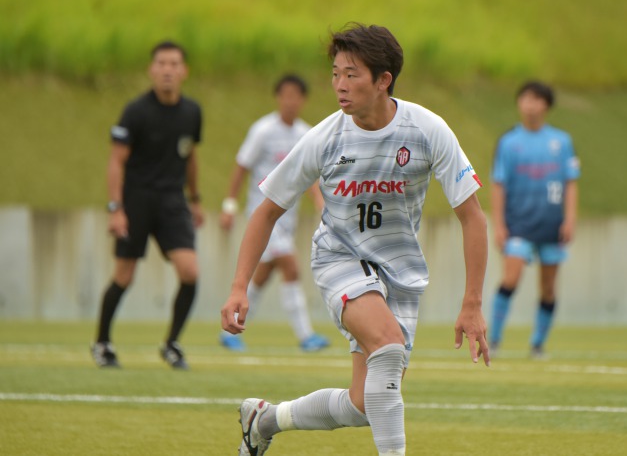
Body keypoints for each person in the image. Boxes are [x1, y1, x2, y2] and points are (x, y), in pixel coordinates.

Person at [221, 23, 490, 456]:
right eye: (335, 74)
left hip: (399, 271)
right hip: (339, 259)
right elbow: (267, 211)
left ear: (383, 81)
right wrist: (239, 287)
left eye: (351, 74)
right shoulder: (324, 137)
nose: (339, 85)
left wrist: (472, 302)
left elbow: (472, 216)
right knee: (388, 344)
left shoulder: (427, 130)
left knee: (367, 403)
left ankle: (265, 419)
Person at [91, 40, 203, 370]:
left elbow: (190, 156)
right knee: (124, 276)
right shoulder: (136, 111)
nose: (168, 70)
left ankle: (171, 344)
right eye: (162, 64)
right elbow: (116, 161)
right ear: (152, 70)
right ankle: (102, 343)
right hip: (137, 199)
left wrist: (195, 199)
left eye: (174, 64)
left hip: (172, 201)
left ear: (184, 71)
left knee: (190, 272)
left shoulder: (192, 112)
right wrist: (116, 208)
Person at [218, 74, 330, 353]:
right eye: (285, 95)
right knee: (290, 265)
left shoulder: (306, 133)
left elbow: (308, 175)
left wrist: (320, 202)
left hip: (288, 218)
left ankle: (230, 330)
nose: (290, 101)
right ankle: (306, 335)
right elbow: (241, 167)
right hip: (264, 215)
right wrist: (229, 206)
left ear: (303, 100)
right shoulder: (263, 130)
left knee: (263, 273)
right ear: (278, 97)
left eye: (296, 96)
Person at [488, 81, 580, 359]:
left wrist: (570, 219)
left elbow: (571, 182)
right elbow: (498, 184)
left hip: (552, 224)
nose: (530, 105)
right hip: (519, 224)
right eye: (525, 99)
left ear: (546, 105)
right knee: (510, 279)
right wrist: (499, 224)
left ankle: (538, 345)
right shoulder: (508, 142)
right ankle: (493, 340)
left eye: (536, 99)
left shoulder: (561, 142)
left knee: (548, 288)